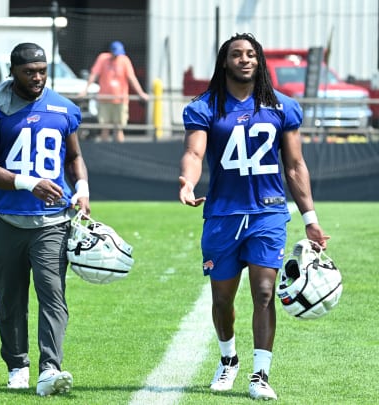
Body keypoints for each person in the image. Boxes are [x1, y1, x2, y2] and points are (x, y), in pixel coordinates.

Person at [179, 33, 330, 401]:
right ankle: (228, 359)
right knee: (222, 301)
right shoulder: (205, 107)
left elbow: (294, 166)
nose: (244, 60)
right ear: (225, 62)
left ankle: (260, 374)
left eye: (251, 54)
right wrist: (187, 182)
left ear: (259, 61)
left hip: (268, 212)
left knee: (264, 292)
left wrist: (309, 216)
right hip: (223, 214)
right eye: (236, 54)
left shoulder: (282, 107)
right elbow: (195, 153)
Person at [0, 42, 91, 397]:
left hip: (53, 221)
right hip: (8, 218)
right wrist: (27, 183)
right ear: (13, 71)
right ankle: (17, 365)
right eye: (29, 72)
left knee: (53, 294)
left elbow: (74, 156)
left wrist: (81, 187)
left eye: (41, 71)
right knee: (10, 298)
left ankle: (50, 367)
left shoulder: (64, 108)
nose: (37, 78)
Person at [81, 40, 150, 143]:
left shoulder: (124, 60)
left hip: (120, 100)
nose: (117, 56)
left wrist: (141, 93)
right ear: (111, 52)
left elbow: (132, 78)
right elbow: (94, 74)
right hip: (105, 100)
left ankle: (120, 149)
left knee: (119, 128)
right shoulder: (102, 58)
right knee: (105, 127)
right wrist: (85, 90)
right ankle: (104, 150)